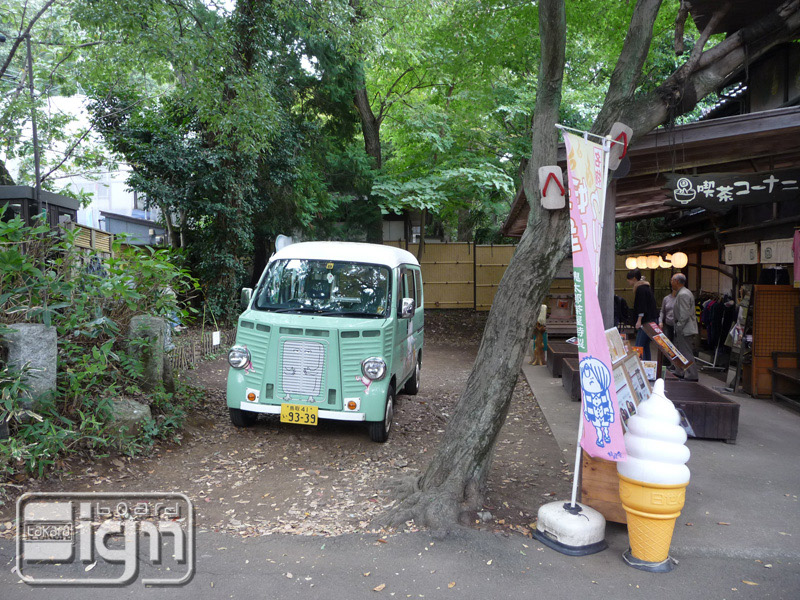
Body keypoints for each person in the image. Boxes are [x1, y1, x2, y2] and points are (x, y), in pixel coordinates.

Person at [671, 273, 699, 381]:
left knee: (685, 351)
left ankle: (692, 374)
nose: (671, 283)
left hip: (684, 328)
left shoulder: (683, 294)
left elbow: (684, 314)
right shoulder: (683, 293)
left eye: (672, 280)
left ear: (677, 282)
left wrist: (679, 326)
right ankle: (680, 371)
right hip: (683, 327)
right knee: (680, 350)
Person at [627, 269, 658, 360]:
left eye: (629, 279)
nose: (628, 281)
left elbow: (641, 306)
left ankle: (641, 366)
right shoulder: (646, 287)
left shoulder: (640, 289)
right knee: (645, 345)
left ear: (634, 279)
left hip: (646, 321)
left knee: (639, 345)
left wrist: (639, 320)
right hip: (652, 319)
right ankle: (648, 365)